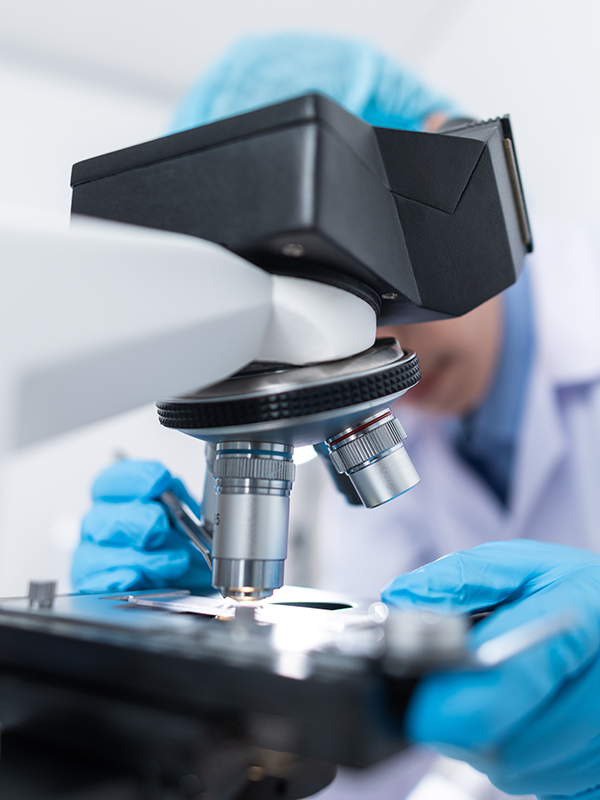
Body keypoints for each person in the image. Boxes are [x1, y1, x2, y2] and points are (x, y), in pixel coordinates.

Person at [71, 33, 600, 800]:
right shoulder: (375, 422)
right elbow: (371, 731)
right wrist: (197, 695)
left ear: (449, 181)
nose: (369, 350)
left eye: (364, 303)